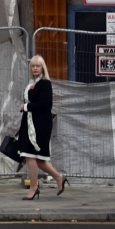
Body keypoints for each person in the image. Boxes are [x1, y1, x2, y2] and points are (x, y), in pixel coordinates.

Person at [17, 54, 68, 200]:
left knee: (30, 156)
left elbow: (45, 104)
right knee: (39, 160)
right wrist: (22, 124)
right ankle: (59, 178)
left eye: (37, 66)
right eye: (33, 66)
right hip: (29, 123)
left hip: (41, 125)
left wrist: (25, 106)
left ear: (42, 68)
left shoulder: (45, 83)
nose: (35, 68)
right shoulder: (32, 83)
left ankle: (34, 188)